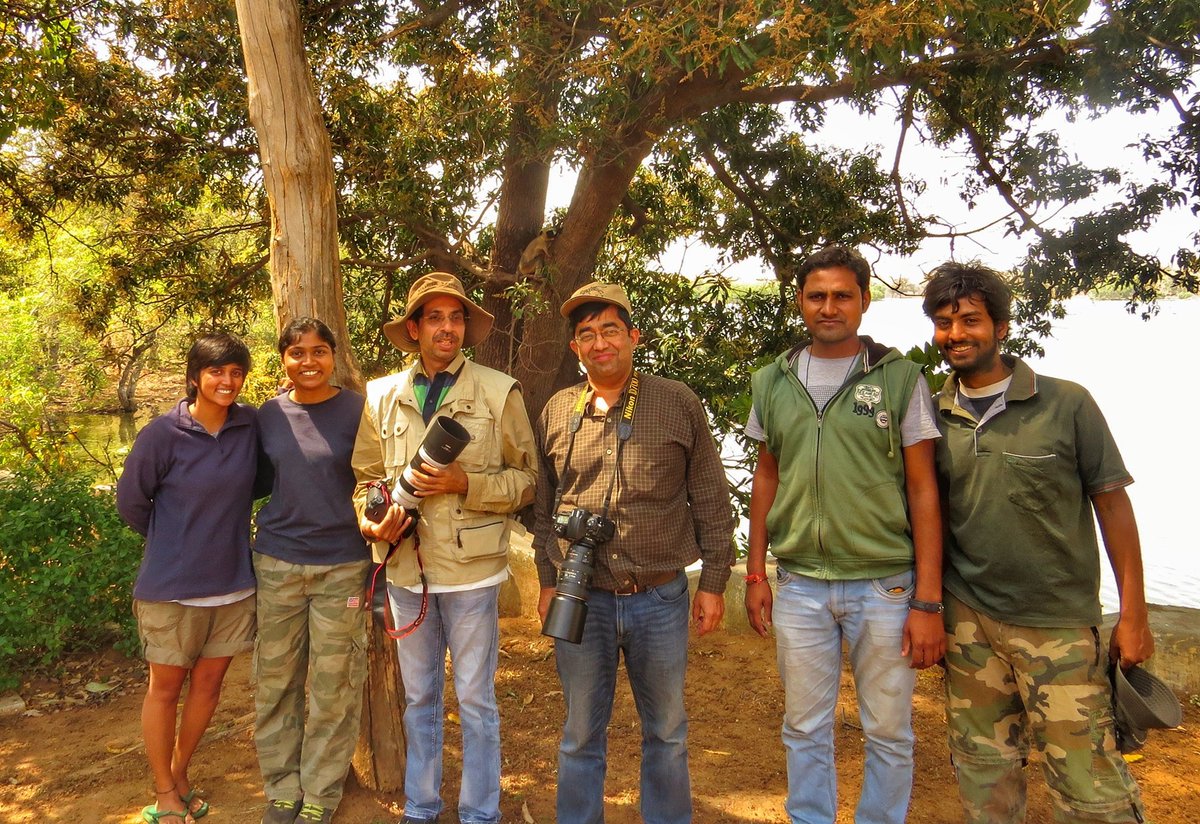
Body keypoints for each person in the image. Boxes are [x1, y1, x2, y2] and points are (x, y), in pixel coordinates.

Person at [921, 261, 1152, 823]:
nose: (956, 335)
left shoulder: (1066, 403)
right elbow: (930, 512)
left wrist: (1134, 613)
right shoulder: (929, 410)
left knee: (1088, 781)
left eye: (971, 320)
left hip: (1058, 627)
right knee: (983, 771)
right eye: (944, 322)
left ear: (1001, 326)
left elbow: (1113, 506)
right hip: (968, 623)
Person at [744, 245, 944, 824]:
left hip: (884, 586)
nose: (828, 307)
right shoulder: (772, 381)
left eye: (841, 295)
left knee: (888, 729)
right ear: (800, 302)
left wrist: (927, 599)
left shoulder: (900, 379)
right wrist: (756, 573)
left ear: (864, 301)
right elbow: (767, 476)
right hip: (801, 587)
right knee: (804, 726)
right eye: (816, 295)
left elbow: (923, 489)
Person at [534, 281, 735, 824]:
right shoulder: (557, 410)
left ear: (633, 337)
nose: (599, 343)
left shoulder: (676, 402)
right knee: (580, 732)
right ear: (575, 348)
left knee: (666, 731)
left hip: (660, 597)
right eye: (586, 334)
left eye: (610, 330)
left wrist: (714, 581)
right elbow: (544, 504)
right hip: (582, 598)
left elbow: (712, 496)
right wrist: (547, 578)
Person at [352, 272, 537, 824]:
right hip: (407, 571)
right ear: (414, 328)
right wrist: (371, 517)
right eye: (435, 317)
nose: (447, 328)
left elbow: (528, 479)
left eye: (456, 318)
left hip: (473, 573)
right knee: (420, 700)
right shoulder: (382, 395)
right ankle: (422, 807)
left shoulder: (498, 390)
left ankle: (481, 814)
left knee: (477, 703)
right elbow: (365, 477)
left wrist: (466, 484)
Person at [116, 332, 262, 824]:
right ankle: (163, 793)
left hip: (233, 585)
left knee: (209, 686)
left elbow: (262, 483)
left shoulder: (249, 426)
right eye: (217, 371)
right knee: (164, 687)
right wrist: (174, 540)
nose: (227, 381)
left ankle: (179, 773)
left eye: (236, 372)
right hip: (171, 588)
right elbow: (131, 503)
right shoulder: (162, 433)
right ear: (195, 376)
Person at [253, 318, 369, 824]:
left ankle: (321, 791)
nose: (308, 362)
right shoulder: (269, 415)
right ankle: (282, 787)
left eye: (319, 351)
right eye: (297, 352)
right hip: (277, 563)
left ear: (334, 356)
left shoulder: (357, 410)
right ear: (283, 358)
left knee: (334, 685)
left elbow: (372, 481)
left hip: (341, 566)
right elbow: (253, 480)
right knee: (275, 682)